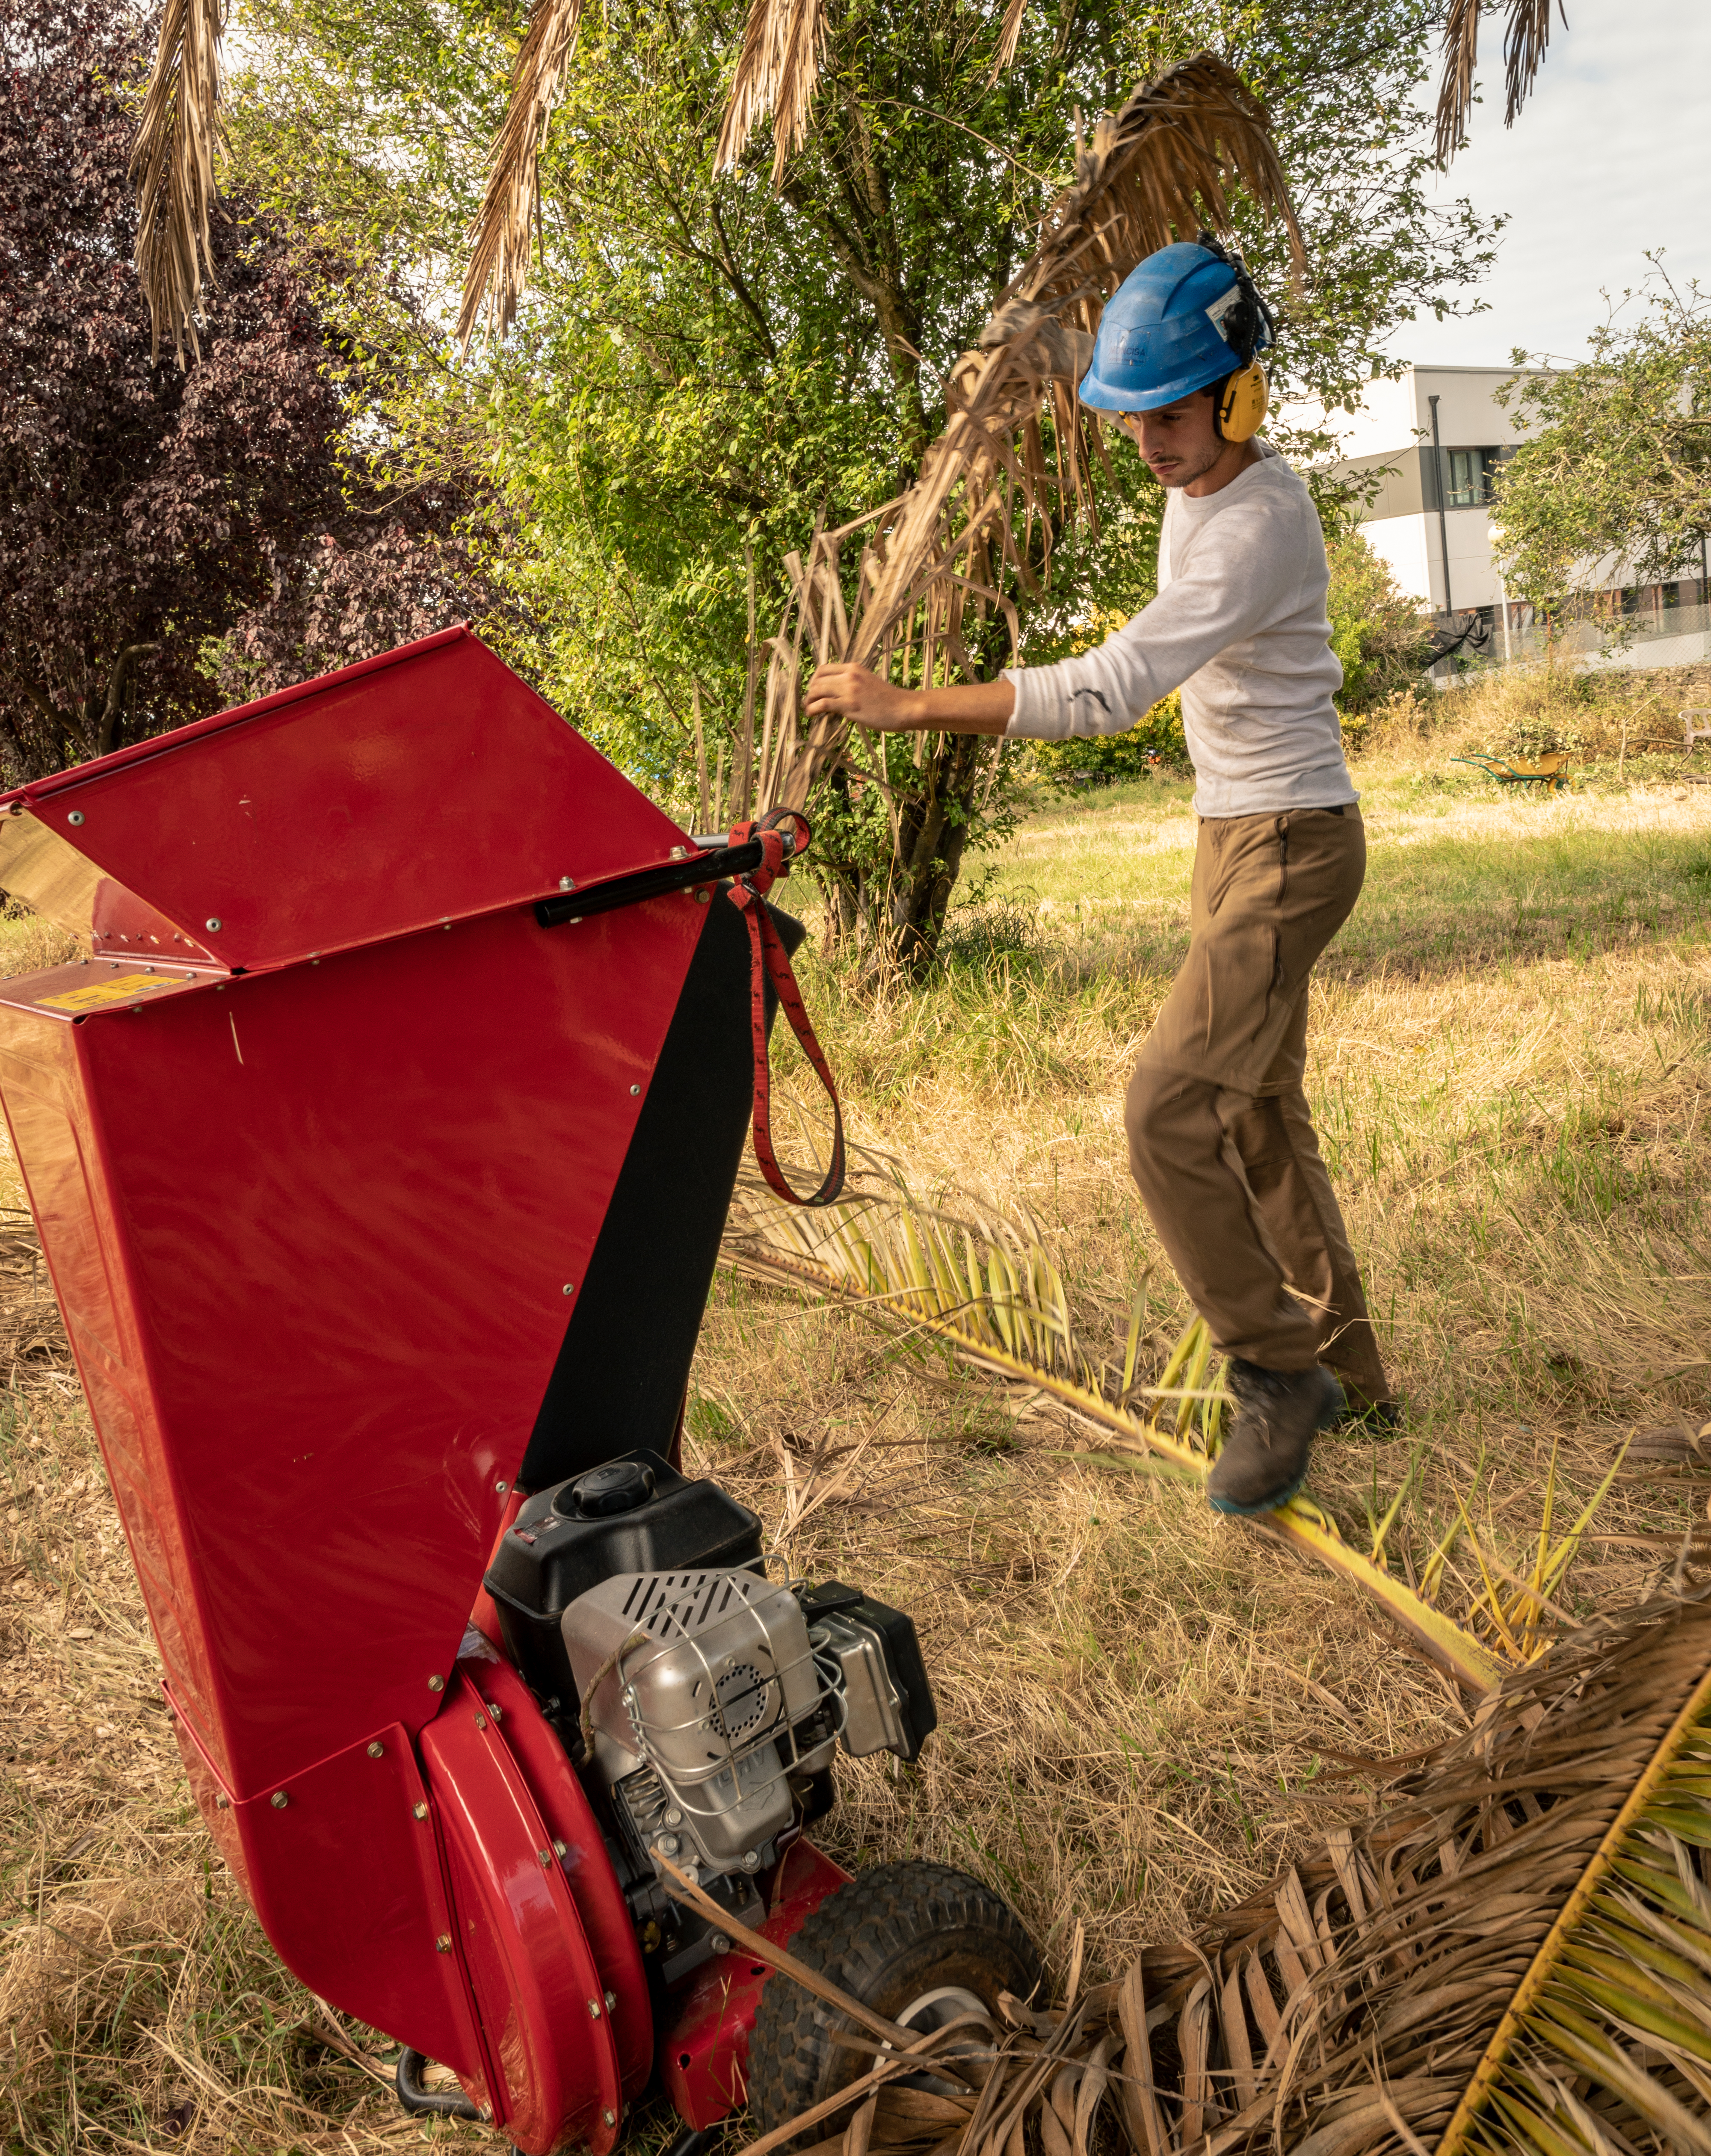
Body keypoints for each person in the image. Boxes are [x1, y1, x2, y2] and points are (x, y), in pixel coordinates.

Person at [804, 237, 1396, 1517]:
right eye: (1133, 418)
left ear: (1239, 397)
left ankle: (1278, 1373)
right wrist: (1039, 346)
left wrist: (911, 706)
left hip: (1293, 844)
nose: (1149, 446)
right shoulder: (1195, 456)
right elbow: (1104, 363)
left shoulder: (1257, 527)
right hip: (1233, 832)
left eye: (1173, 416)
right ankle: (1355, 1370)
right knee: (1256, 1113)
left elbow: (1109, 689)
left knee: (1167, 1111)